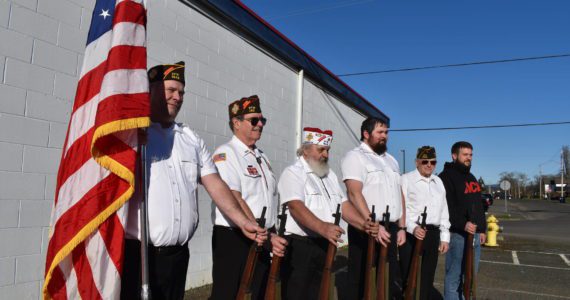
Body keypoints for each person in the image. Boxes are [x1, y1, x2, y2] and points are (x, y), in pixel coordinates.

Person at [121, 62, 267, 300]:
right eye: (171, 90)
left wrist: (242, 221)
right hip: (140, 257)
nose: (177, 97)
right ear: (152, 90)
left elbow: (215, 184)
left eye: (181, 92)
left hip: (178, 256)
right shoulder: (133, 134)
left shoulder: (190, 138)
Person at [278, 127, 376, 300]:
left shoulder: (329, 175)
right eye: (321, 150)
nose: (326, 155)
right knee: (296, 294)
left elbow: (343, 205)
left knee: (318, 293)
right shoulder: (293, 173)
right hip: (300, 247)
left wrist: (363, 224)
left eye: (328, 150)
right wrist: (323, 227)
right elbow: (295, 207)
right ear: (305, 149)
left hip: (323, 244)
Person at [210, 95, 287, 300]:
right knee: (227, 294)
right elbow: (234, 196)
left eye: (262, 120)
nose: (260, 124)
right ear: (236, 123)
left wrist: (271, 233)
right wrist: (262, 232)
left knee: (261, 291)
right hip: (234, 237)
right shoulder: (226, 153)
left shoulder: (262, 156)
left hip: (262, 235)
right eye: (254, 120)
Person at [341, 117, 407, 299]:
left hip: (392, 227)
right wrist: (372, 225)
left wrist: (402, 227)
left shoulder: (391, 160)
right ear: (366, 134)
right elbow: (354, 193)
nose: (384, 136)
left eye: (386, 132)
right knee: (362, 280)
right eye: (380, 132)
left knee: (388, 279)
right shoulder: (355, 157)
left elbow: (398, 193)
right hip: (367, 227)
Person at [399, 146, 450, 300]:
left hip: (433, 233)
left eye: (433, 162)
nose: (429, 165)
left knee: (427, 277)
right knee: (409, 276)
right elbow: (401, 210)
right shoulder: (406, 179)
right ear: (417, 162)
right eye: (425, 161)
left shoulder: (438, 181)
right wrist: (412, 228)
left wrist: (445, 237)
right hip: (411, 234)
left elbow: (444, 211)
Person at [439, 141, 486, 300]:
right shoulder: (445, 177)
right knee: (454, 278)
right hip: (458, 235)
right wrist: (462, 223)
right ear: (454, 156)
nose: (469, 158)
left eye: (471, 155)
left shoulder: (471, 177)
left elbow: (479, 206)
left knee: (471, 277)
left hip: (475, 236)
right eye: (465, 155)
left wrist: (483, 229)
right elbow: (446, 208)